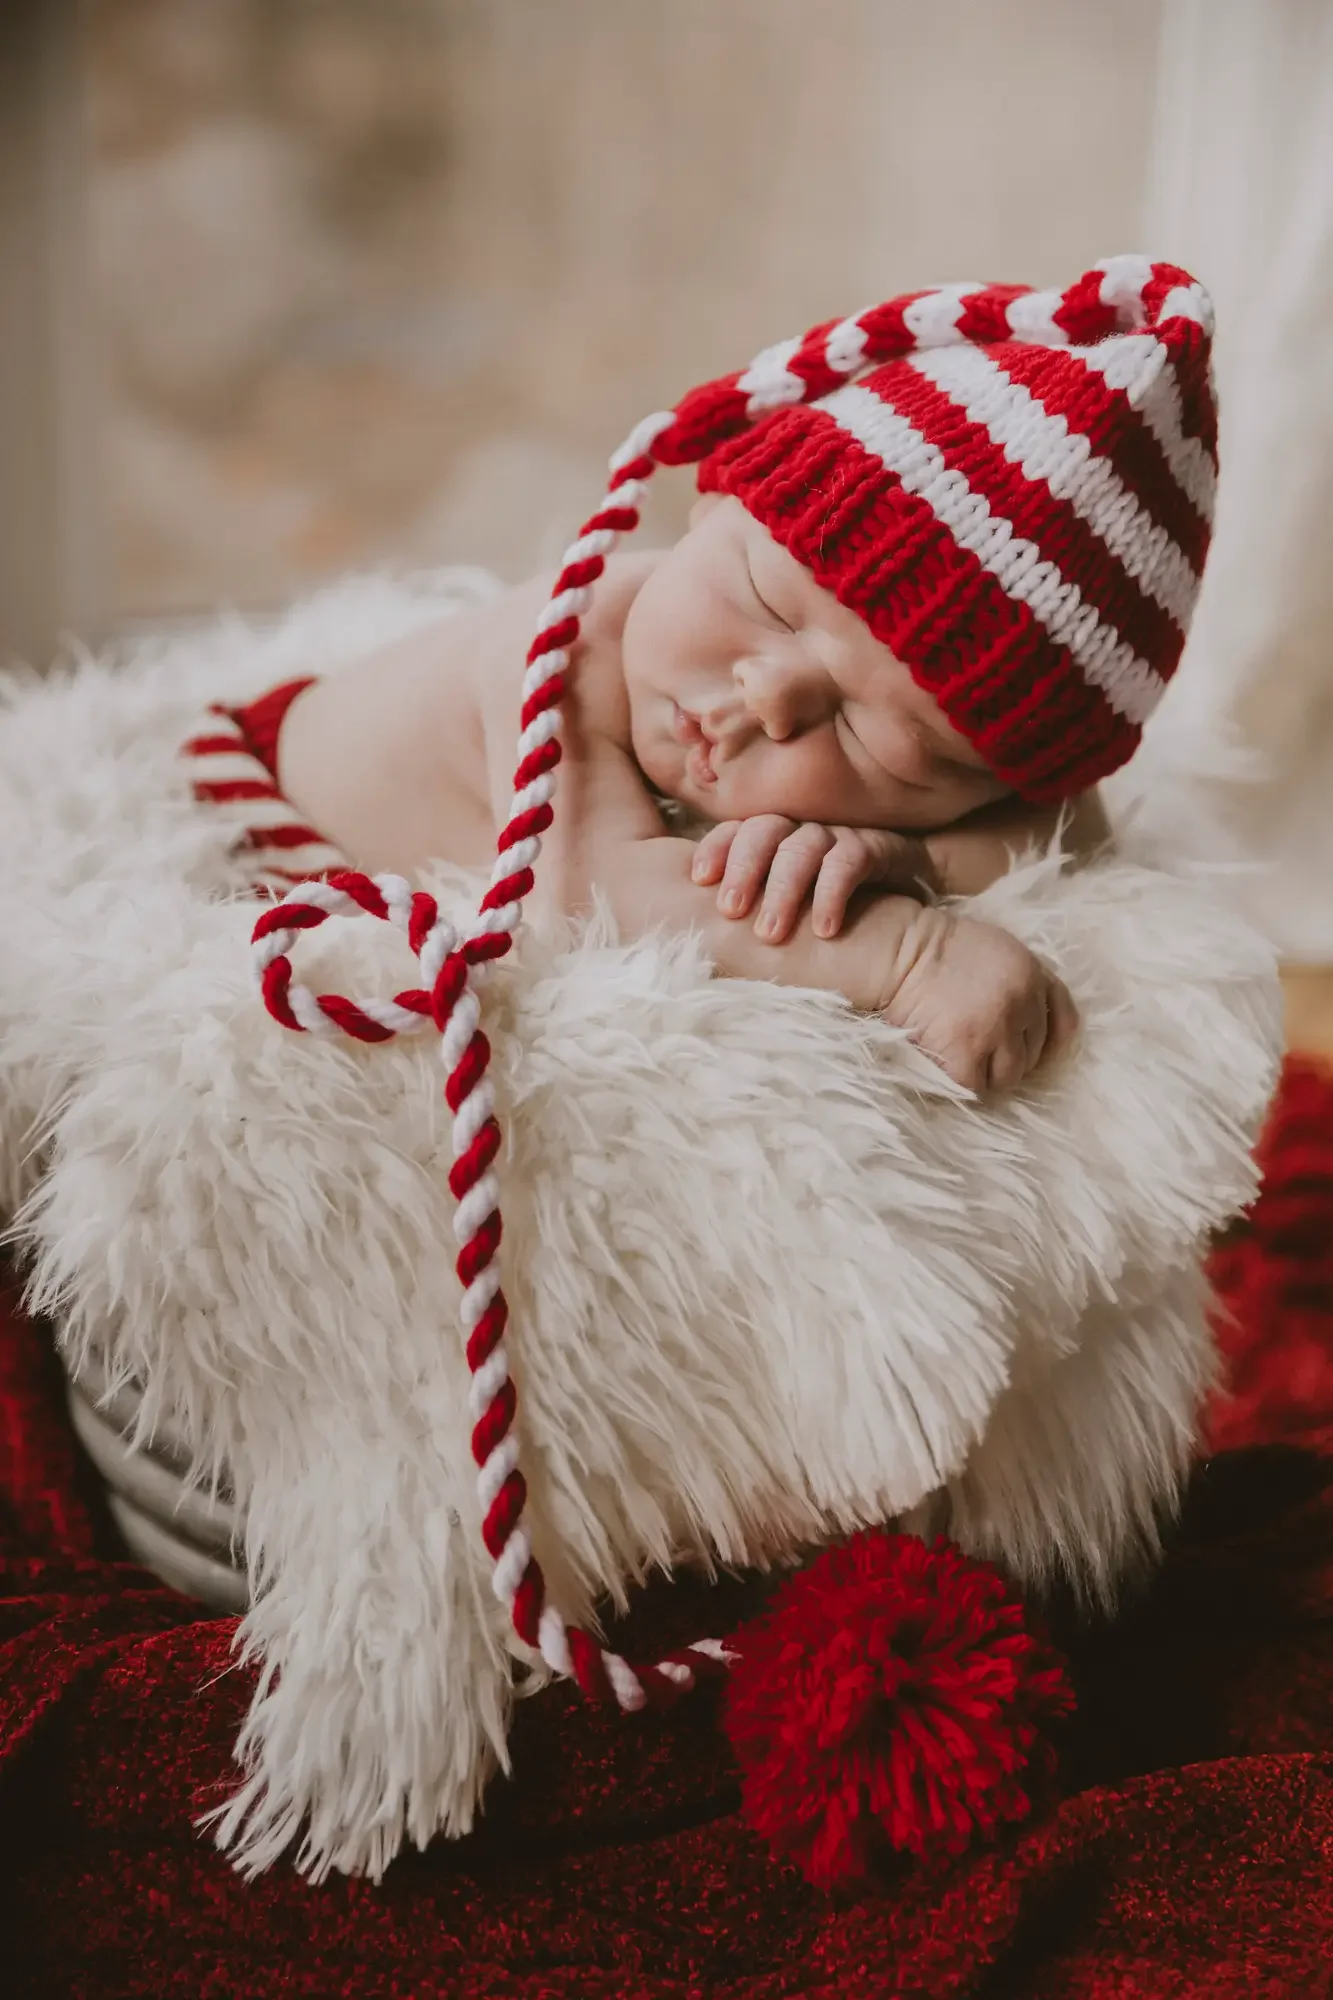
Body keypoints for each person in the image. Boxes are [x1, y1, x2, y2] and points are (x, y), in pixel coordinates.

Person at [273, 257, 1217, 1095]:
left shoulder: (941, 786)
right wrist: (906, 951)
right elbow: (589, 900)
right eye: (765, 599)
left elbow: (1070, 829)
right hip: (277, 824)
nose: (771, 696)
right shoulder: (567, 644)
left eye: (872, 735)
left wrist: (912, 861)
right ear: (707, 509)